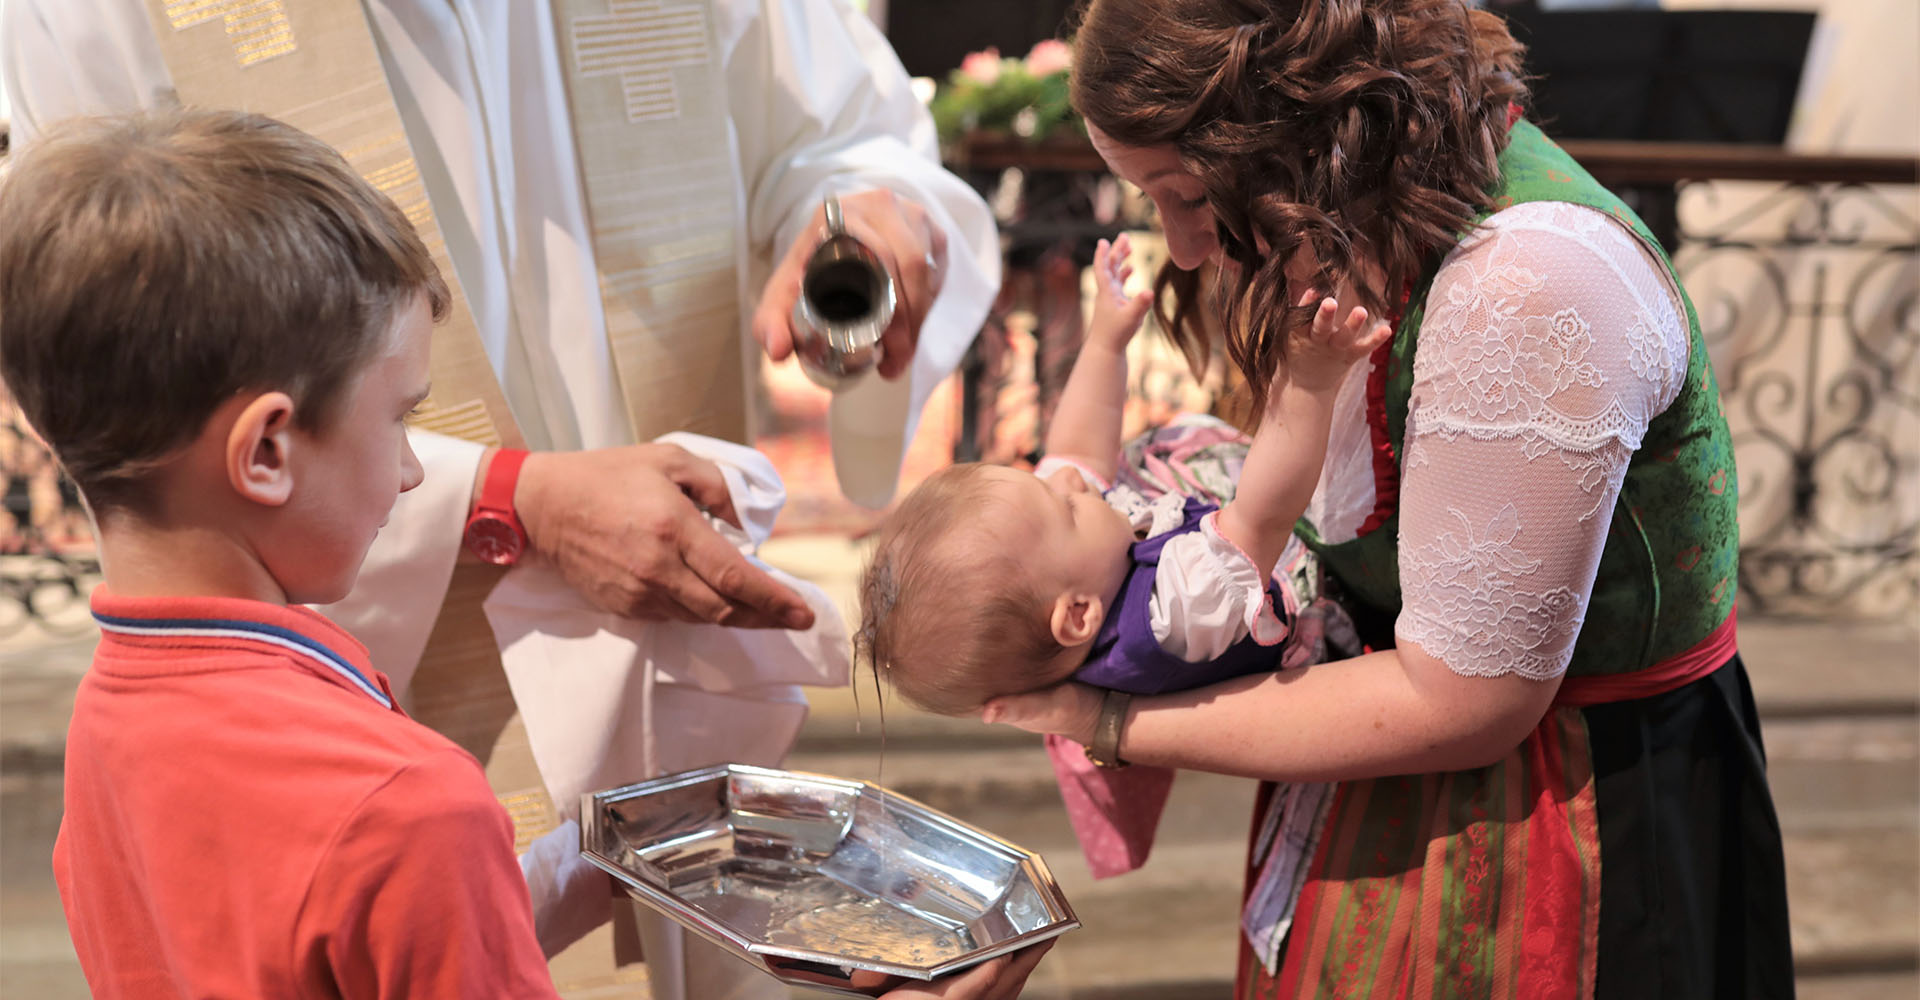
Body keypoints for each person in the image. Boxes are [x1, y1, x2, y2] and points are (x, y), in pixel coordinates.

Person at [3, 2, 1000, 995]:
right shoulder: (415, 808)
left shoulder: (108, 738)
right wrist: (501, 494)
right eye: (402, 423)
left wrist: (867, 219)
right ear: (268, 447)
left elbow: (843, 133)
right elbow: (109, 332)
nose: (407, 470)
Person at [981, 1, 1793, 998]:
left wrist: (1103, 718)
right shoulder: (1361, 220)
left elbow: (1464, 703)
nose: (1185, 249)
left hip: (1572, 821)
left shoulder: (1530, 284)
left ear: (1299, 133)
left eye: (1187, 192)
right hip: (1385, 777)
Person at [860, 234, 1386, 716]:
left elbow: (1074, 451)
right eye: (1063, 509)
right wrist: (1308, 386)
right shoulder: (1176, 612)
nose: (1066, 482)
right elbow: (1263, 516)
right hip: (1308, 546)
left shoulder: (1075, 565)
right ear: (1078, 615)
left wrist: (1105, 341)